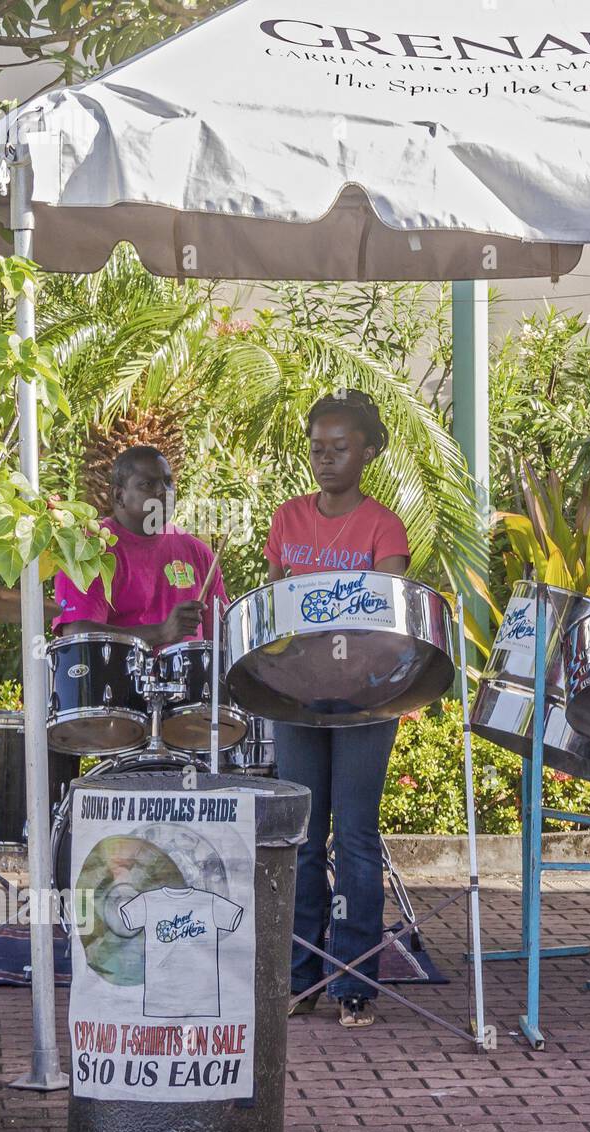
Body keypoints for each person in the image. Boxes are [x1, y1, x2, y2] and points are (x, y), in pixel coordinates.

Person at [265, 389, 410, 1030]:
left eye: (340, 449)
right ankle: (300, 978)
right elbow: (276, 610)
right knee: (301, 835)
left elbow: (389, 614)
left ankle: (355, 981)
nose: (325, 460)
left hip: (365, 699)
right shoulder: (288, 518)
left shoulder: (384, 526)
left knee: (353, 835)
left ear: (369, 453)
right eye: (317, 449)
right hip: (298, 694)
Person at [53, 446, 228, 648]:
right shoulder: (90, 547)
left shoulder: (198, 553)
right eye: (148, 484)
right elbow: (78, 634)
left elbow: (223, 638)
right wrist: (161, 632)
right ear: (119, 496)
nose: (164, 491)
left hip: (193, 680)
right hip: (120, 679)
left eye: (168, 482)